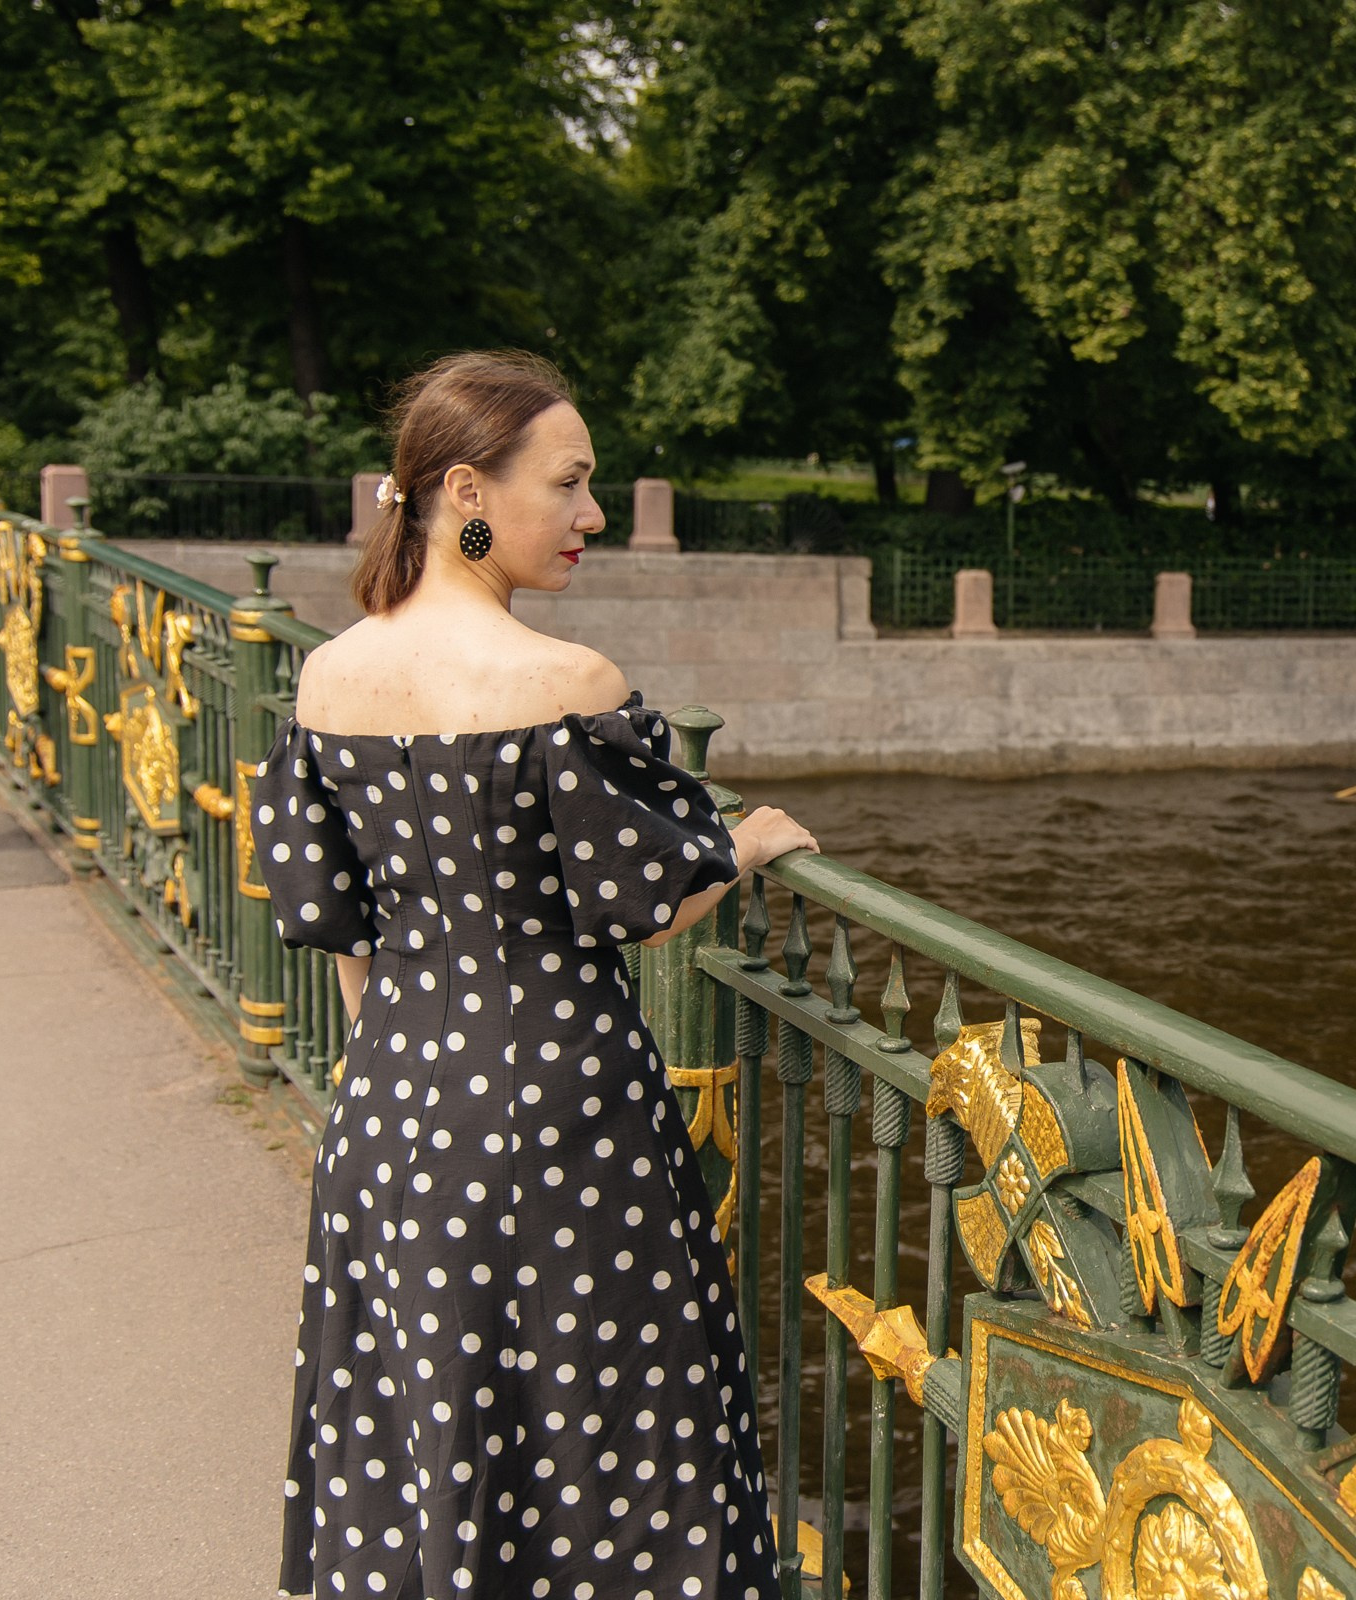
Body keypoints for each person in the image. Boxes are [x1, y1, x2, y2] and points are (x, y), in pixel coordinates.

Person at [251, 350, 815, 1600]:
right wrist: (749, 841)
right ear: (467, 489)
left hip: (391, 1101)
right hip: (561, 1112)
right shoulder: (566, 686)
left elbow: (338, 926)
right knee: (603, 1436)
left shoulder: (329, 677)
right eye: (569, 484)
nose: (591, 516)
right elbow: (653, 906)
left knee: (433, 1423)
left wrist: (385, 1075)